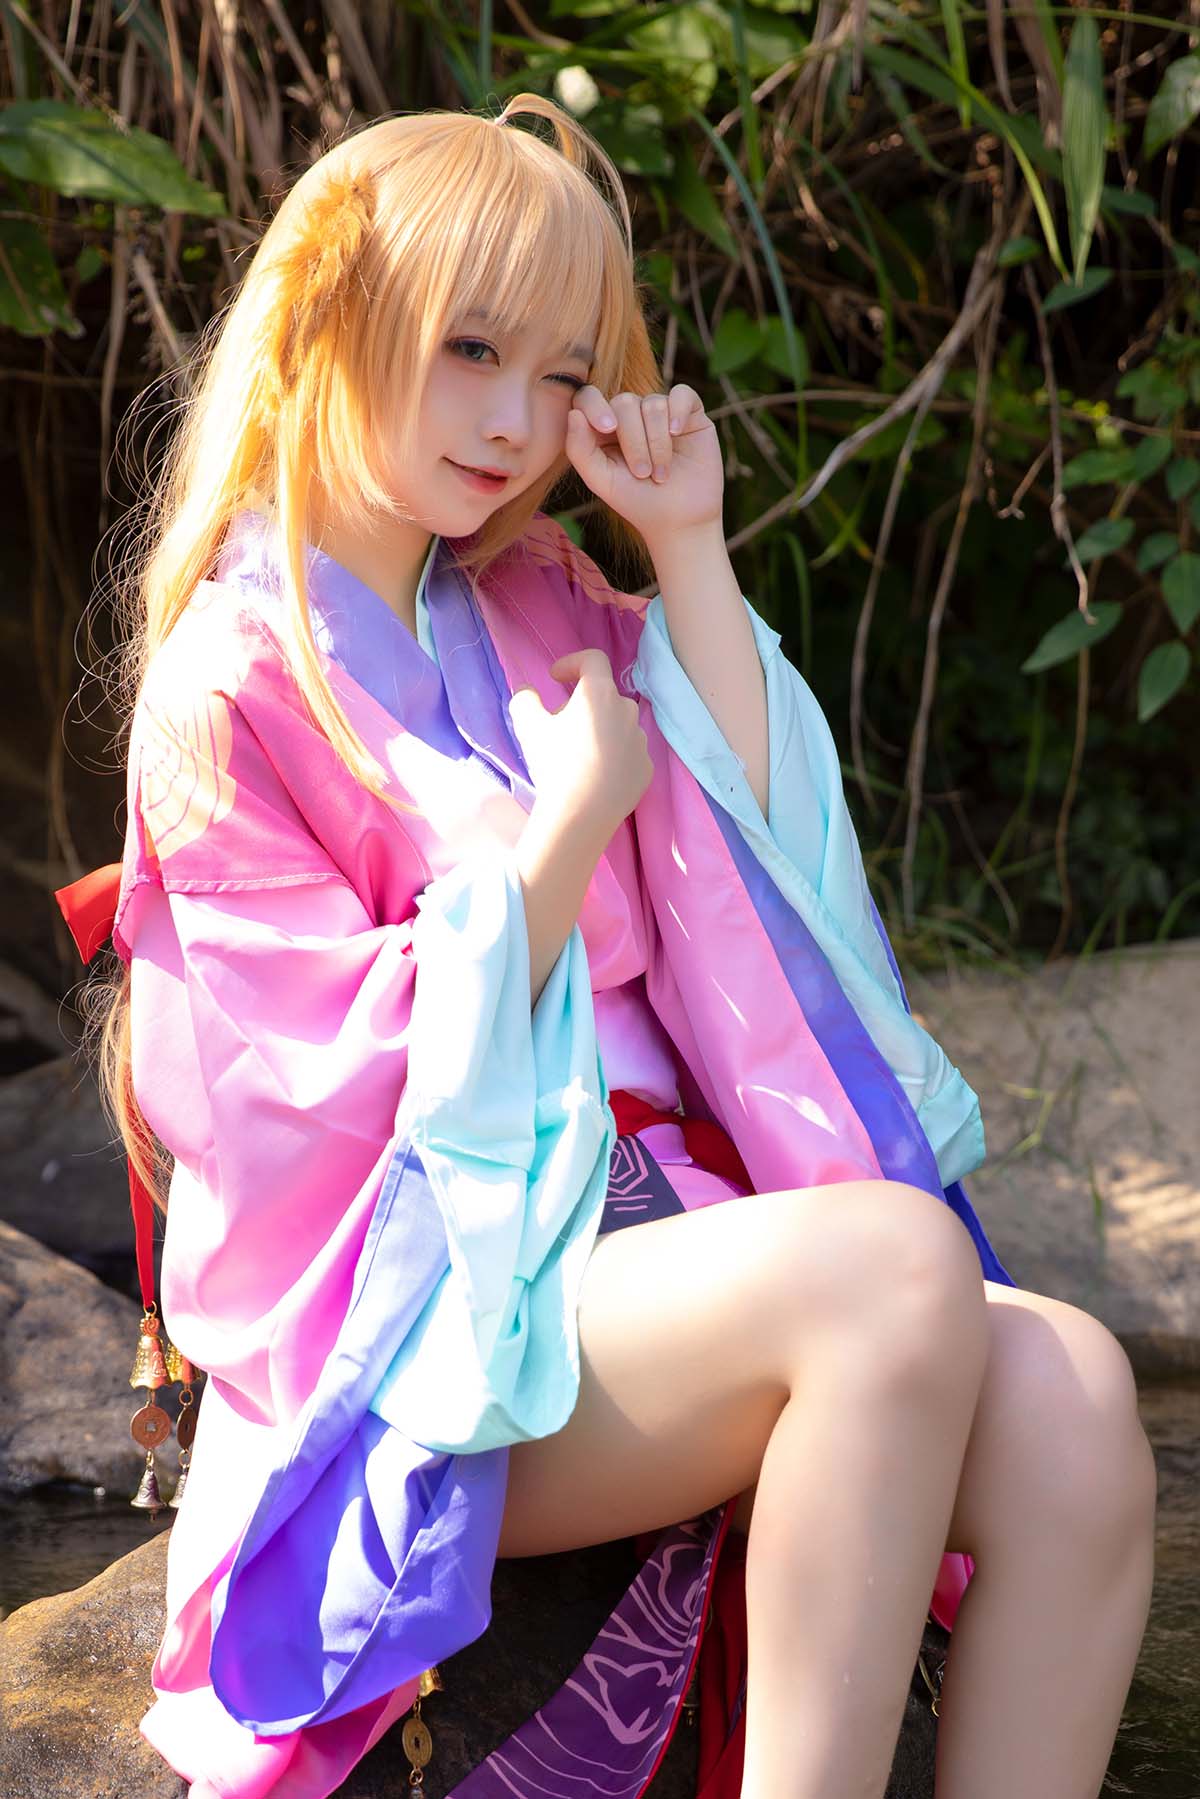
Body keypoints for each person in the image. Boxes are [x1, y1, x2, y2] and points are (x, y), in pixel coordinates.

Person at [65, 92, 1156, 1799]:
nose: (516, 420)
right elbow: (304, 1101)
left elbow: (761, 861)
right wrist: (563, 837)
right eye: (470, 349)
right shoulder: (226, 685)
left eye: (560, 373)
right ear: (324, 322)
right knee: (891, 1272)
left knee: (1079, 1395)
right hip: (438, 1325)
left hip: (663, 1260)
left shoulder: (539, 594)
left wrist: (688, 545)